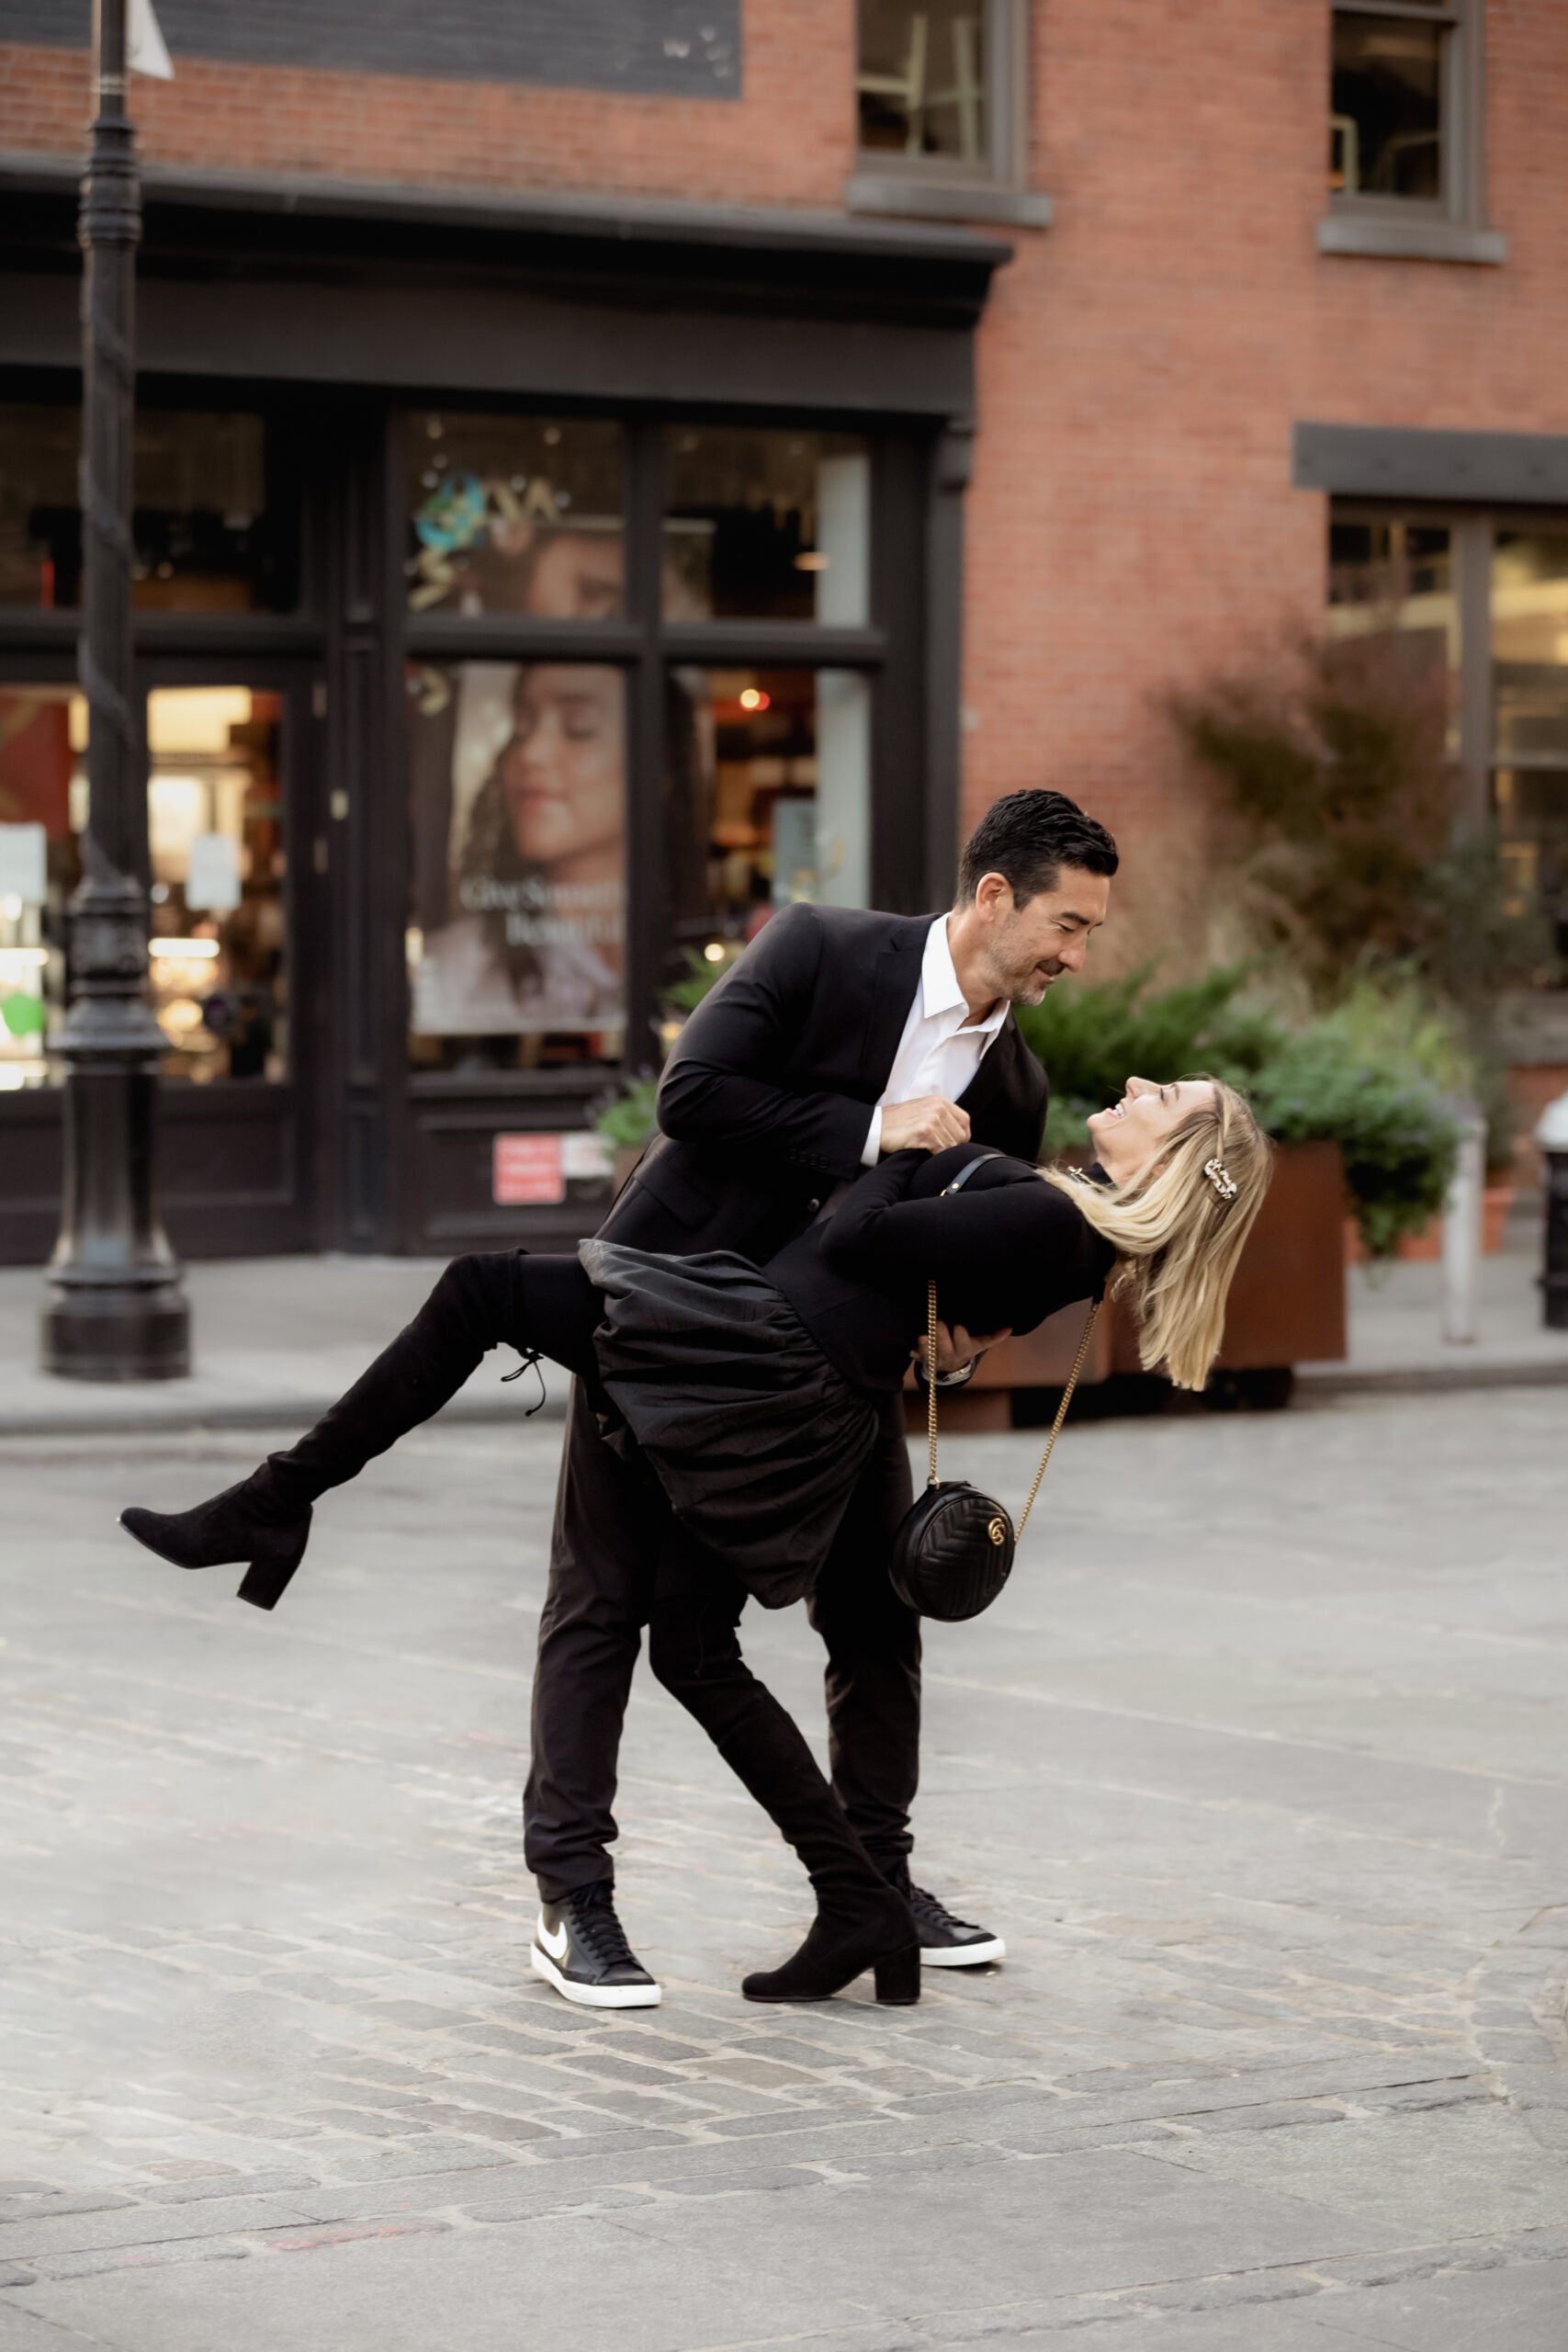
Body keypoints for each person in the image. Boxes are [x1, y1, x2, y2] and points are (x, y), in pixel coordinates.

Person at [119, 1071, 1271, 2009]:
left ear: (1178, 1161)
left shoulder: (1050, 1215)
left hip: (748, 1351)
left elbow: (870, 1237)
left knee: (480, 1291)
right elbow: (933, 1295)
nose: (1135, 1082)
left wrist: (902, 1146)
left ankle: (278, 1498)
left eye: (1164, 1096)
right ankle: (857, 1895)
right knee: (689, 1645)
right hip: (776, 1368)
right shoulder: (1072, 1232)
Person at [521, 789, 1120, 2003]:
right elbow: (689, 1099)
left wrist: (952, 1340)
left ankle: (876, 1880)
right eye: (1063, 923)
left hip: (832, 1376)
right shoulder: (816, 948)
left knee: (875, 1611)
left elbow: (967, 1245)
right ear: (991, 894)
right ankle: (572, 1898)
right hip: (663, 1320)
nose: (1074, 954)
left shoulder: (1016, 1083)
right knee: (603, 1604)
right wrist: (869, 1128)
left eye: (1089, 933)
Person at [412, 662, 626, 1035]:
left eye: (578, 727)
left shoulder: (692, 957)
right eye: (521, 728)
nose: (531, 753)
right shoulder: (456, 971)